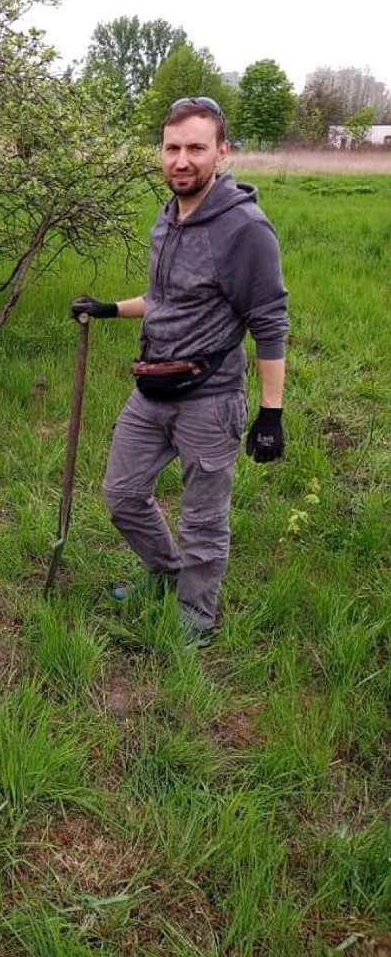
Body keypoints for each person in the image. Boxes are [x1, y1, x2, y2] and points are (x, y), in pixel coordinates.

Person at [71, 96, 287, 647]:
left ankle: (196, 619)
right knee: (121, 494)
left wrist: (271, 414)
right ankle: (166, 574)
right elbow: (167, 299)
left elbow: (270, 321)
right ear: (160, 153)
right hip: (154, 384)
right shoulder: (167, 220)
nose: (182, 159)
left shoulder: (244, 229)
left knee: (203, 520)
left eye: (196, 147)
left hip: (210, 397)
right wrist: (111, 310)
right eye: (172, 148)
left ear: (222, 151)